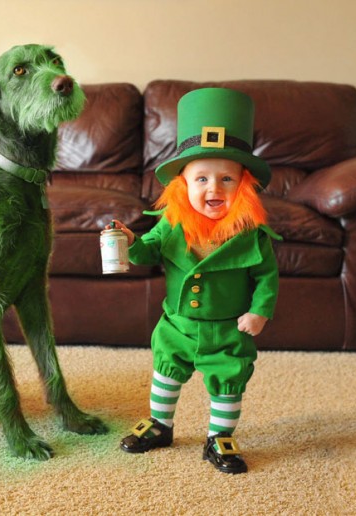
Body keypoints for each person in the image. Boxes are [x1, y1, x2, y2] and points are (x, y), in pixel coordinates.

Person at [110, 88, 280, 474]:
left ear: (244, 187)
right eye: (200, 178)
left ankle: (219, 438)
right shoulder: (172, 225)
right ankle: (160, 424)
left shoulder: (251, 234)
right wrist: (132, 242)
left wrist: (259, 311)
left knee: (229, 381)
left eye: (226, 179)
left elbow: (266, 276)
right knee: (166, 371)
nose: (213, 189)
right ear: (182, 186)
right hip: (178, 325)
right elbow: (148, 253)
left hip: (228, 328)